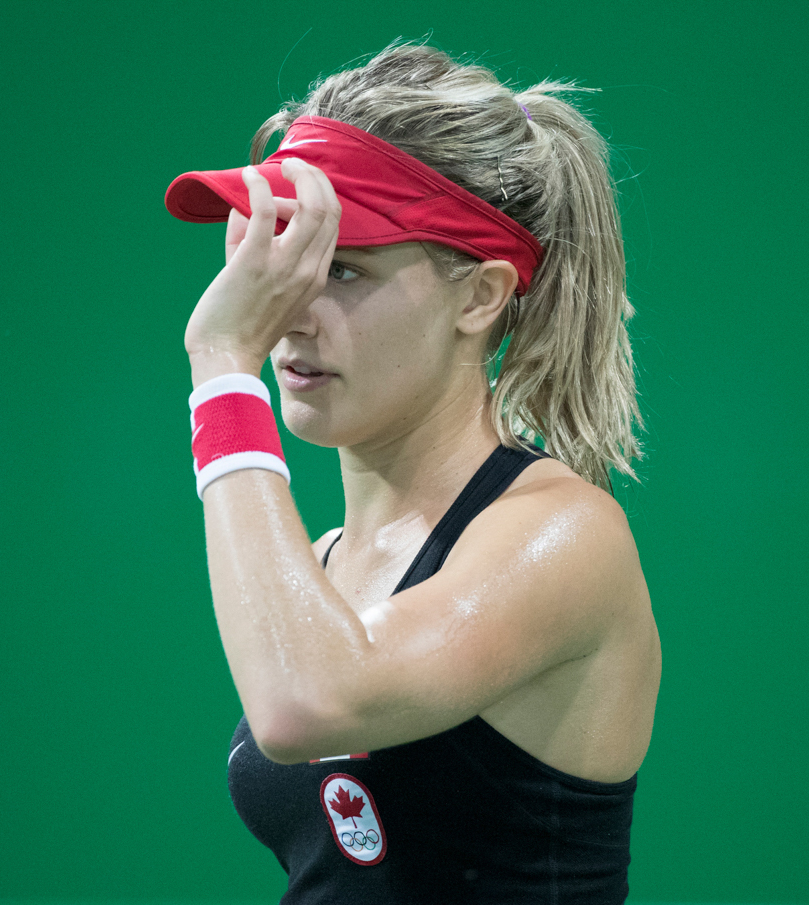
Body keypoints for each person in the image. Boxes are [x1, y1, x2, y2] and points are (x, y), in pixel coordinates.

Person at [163, 39, 660, 902]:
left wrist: (221, 363)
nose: (286, 313)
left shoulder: (562, 536)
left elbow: (306, 705)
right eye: (279, 258)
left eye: (341, 267)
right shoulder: (316, 564)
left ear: (480, 297)